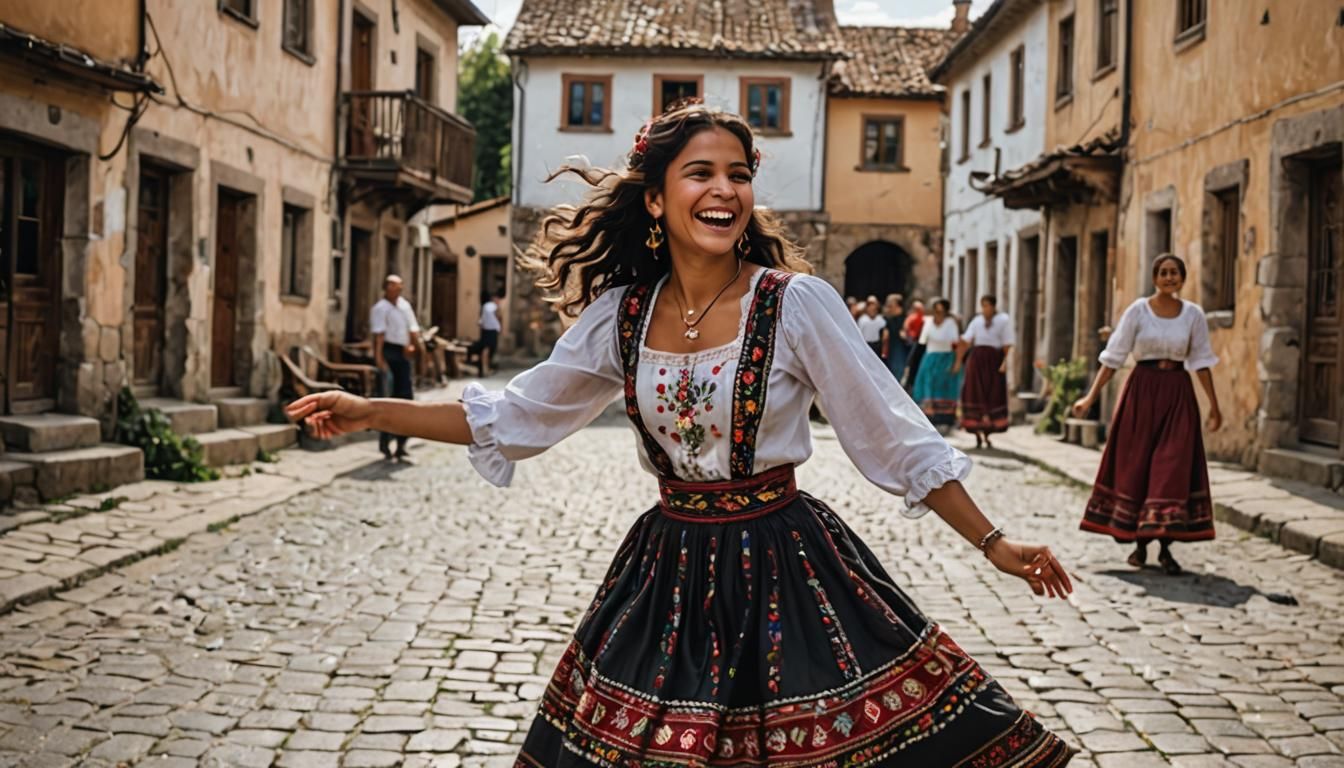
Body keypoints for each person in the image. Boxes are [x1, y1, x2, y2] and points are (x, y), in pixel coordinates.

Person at [288, 103, 1073, 768]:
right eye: (700, 173)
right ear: (658, 200)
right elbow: (516, 416)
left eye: (738, 173)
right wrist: (372, 412)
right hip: (667, 569)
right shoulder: (621, 316)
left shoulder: (795, 305)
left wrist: (993, 540)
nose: (724, 189)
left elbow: (892, 435)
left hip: (787, 562)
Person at [1071, 254, 1221, 576]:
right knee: (1137, 467)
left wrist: (1214, 406)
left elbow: (1201, 362)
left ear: (1182, 278)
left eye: (1175, 273)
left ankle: (1166, 549)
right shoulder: (1138, 311)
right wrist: (1090, 397)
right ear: (1155, 277)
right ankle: (1140, 546)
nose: (1169, 278)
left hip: (1178, 396)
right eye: (1163, 273)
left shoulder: (1193, 315)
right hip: (1142, 394)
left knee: (1172, 469)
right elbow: (1113, 358)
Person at [370, 275, 420, 460]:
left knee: (406, 397)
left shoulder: (404, 306)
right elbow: (379, 336)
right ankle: (385, 442)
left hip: (403, 353)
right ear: (386, 288)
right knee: (388, 399)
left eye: (399, 287)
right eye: (394, 287)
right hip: (389, 352)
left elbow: (412, 329)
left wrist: (414, 347)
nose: (398, 290)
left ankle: (402, 443)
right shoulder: (380, 309)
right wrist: (379, 359)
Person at [957, 295, 1015, 449]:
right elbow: (967, 339)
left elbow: (1007, 343)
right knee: (974, 392)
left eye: (987, 306)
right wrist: (959, 356)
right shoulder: (977, 321)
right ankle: (976, 432)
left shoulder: (1003, 320)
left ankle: (988, 432)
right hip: (977, 359)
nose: (985, 309)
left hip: (994, 360)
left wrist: (1004, 362)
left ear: (993, 306)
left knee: (992, 393)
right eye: (983, 306)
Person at [911, 298, 964, 431]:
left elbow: (956, 343)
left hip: (945, 357)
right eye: (936, 311)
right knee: (928, 384)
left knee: (943, 386)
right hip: (930, 357)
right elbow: (922, 341)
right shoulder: (928, 322)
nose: (938, 314)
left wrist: (956, 362)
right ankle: (927, 417)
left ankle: (944, 419)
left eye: (941, 311)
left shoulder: (951, 323)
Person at [881, 293, 909, 382]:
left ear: (898, 306)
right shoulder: (888, 320)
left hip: (901, 352)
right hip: (890, 352)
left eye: (891, 305)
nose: (888, 308)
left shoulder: (907, 320)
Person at [478, 289, 504, 376]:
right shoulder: (493, 306)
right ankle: (487, 368)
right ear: (494, 298)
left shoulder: (485, 306)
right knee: (490, 349)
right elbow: (499, 316)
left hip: (486, 329)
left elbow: (482, 319)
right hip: (492, 330)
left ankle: (485, 368)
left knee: (485, 349)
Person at [902, 299, 927, 388]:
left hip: (921, 344)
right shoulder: (912, 317)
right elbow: (906, 329)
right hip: (913, 343)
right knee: (911, 364)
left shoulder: (924, 318)